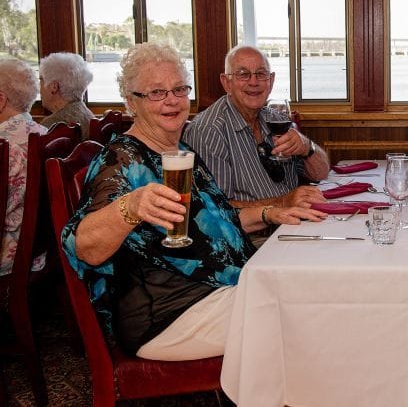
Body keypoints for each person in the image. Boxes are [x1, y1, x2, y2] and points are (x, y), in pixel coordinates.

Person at [61, 43, 326, 360]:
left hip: (212, 290)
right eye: (156, 92)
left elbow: (215, 221)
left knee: (314, 293)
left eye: (179, 89)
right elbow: (85, 247)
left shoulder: (180, 153)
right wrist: (129, 207)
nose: (171, 100)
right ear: (132, 102)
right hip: (169, 315)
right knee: (309, 316)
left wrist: (272, 212)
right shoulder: (122, 159)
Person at [183, 45, 330, 209]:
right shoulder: (209, 130)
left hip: (293, 224)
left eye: (261, 74)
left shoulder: (277, 119)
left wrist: (307, 147)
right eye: (243, 74)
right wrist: (282, 203)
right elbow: (216, 211)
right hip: (254, 234)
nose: (253, 82)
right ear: (226, 83)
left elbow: (321, 174)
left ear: (271, 81)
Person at [0, 57, 48, 276]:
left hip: (9, 259)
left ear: (0, 100)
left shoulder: (4, 145)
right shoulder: (45, 134)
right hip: (39, 253)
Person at [39, 51, 95, 139]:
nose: (39, 87)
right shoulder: (86, 113)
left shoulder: (52, 126)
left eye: (41, 79)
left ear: (54, 87)